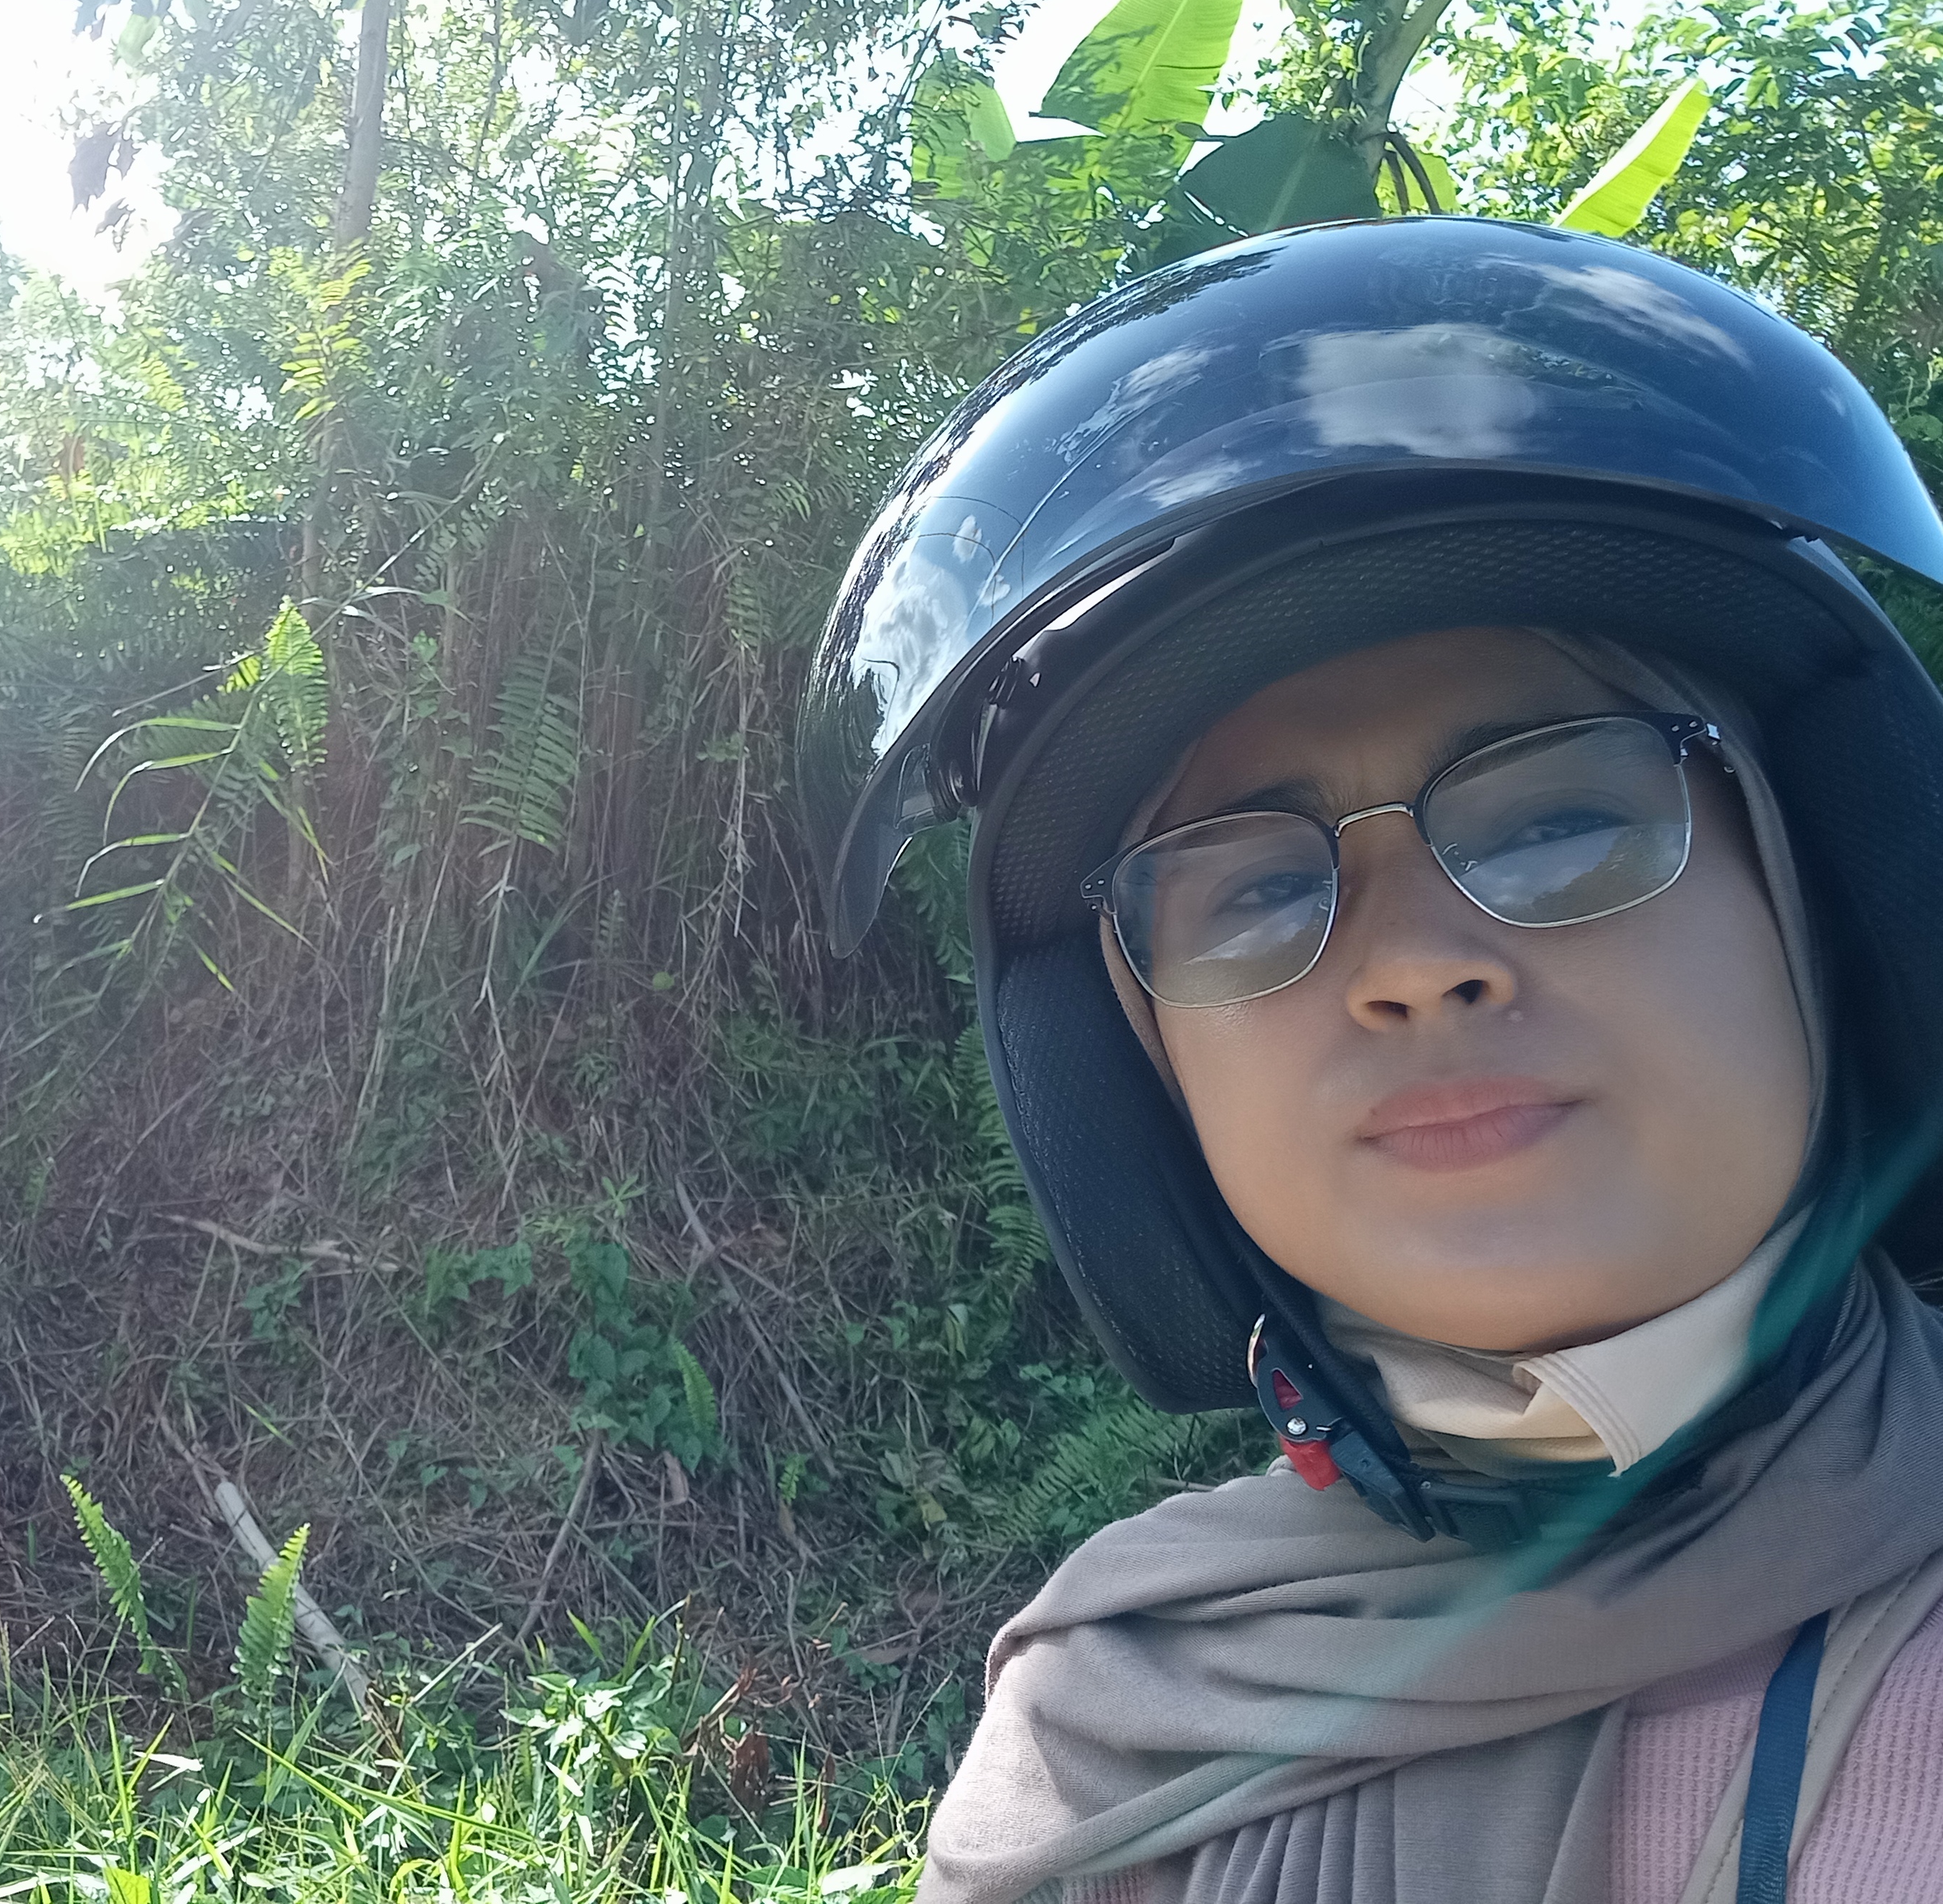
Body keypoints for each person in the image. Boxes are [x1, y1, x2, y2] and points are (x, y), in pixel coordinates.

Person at [798, 215, 1943, 1903]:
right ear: (1139, 1081)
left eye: (1554, 817)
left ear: (1826, 906)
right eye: (1253, 887)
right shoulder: (1093, 1746)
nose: (1411, 965)